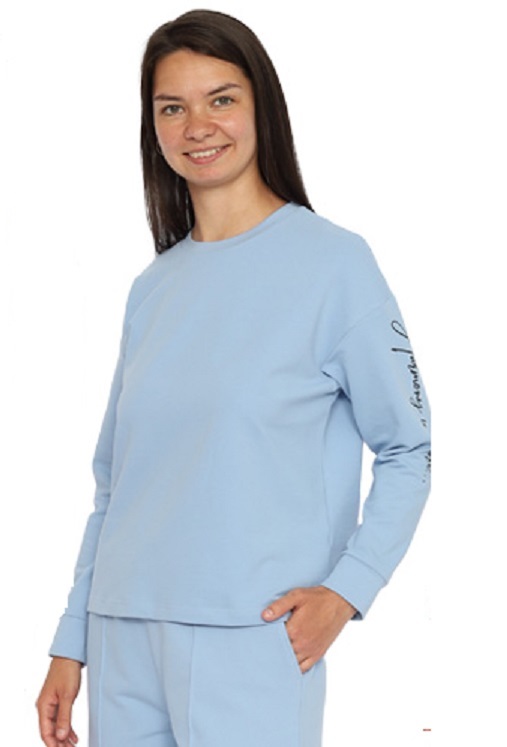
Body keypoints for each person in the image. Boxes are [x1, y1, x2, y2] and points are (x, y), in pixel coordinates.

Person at [36, 9, 431, 747]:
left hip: (252, 634)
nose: (197, 126)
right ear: (152, 126)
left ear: (261, 107)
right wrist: (72, 638)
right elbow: (115, 485)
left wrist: (347, 590)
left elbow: (408, 448)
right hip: (121, 636)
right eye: (172, 108)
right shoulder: (152, 289)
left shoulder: (334, 266)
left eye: (220, 99)